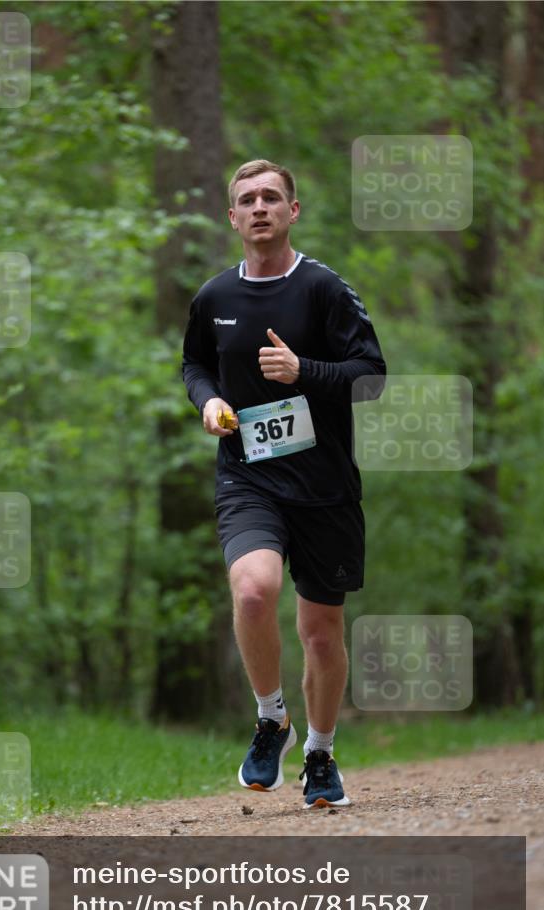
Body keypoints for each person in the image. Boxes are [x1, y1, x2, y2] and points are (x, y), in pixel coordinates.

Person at [182, 159, 386, 808]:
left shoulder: (324, 290)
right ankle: (270, 716)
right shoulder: (214, 298)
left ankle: (319, 754)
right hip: (249, 477)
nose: (260, 206)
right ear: (233, 217)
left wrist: (302, 371)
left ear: (292, 211)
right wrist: (208, 402)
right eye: (248, 199)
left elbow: (370, 376)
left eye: (272, 196)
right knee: (251, 591)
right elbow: (193, 364)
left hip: (324, 484)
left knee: (321, 632)